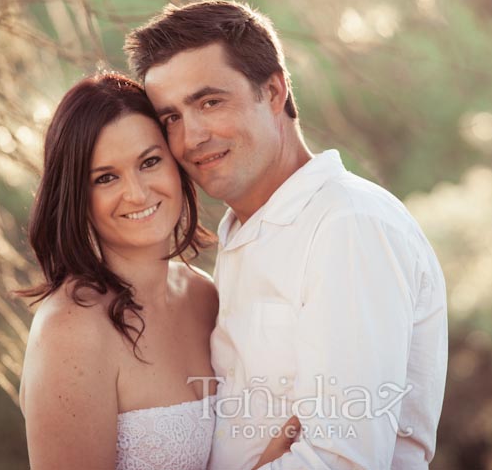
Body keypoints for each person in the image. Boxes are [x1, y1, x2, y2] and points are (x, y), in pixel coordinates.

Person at [126, 1, 449, 470]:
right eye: (171, 117)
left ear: (274, 91)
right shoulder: (244, 231)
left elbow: (345, 460)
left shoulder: (348, 226)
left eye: (209, 102)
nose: (191, 137)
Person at [17, 73, 296, 470]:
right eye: (106, 178)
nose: (137, 193)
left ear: (178, 164)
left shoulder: (204, 296)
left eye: (149, 162)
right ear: (78, 196)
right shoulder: (70, 331)